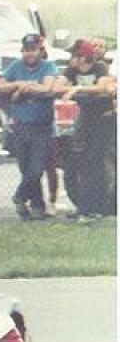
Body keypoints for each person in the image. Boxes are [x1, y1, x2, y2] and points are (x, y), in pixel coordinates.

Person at [0, 33, 59, 221]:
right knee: (26, 168)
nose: (30, 53)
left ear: (40, 50)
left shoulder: (48, 66)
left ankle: (19, 196)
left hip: (42, 126)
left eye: (33, 49)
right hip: (20, 125)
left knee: (37, 168)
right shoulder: (16, 66)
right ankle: (37, 206)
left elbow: (47, 88)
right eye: (27, 50)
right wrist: (20, 84)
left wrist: (22, 90)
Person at [58, 38, 116, 222]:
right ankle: (84, 206)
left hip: (104, 119)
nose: (71, 59)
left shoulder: (100, 68)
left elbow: (103, 87)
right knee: (79, 162)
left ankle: (95, 207)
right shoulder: (71, 70)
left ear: (83, 57)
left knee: (95, 162)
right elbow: (58, 86)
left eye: (74, 55)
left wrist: (77, 89)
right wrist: (70, 87)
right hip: (85, 118)